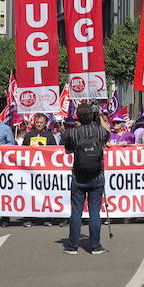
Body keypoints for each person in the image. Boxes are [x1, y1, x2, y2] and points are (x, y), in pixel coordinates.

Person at [62, 103, 110, 255]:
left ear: (78, 117)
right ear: (92, 115)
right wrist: (101, 116)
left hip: (79, 176)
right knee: (94, 212)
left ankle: (72, 246)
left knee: (76, 211)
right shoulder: (100, 132)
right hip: (97, 176)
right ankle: (95, 246)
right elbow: (108, 133)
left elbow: (68, 150)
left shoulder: (72, 133)